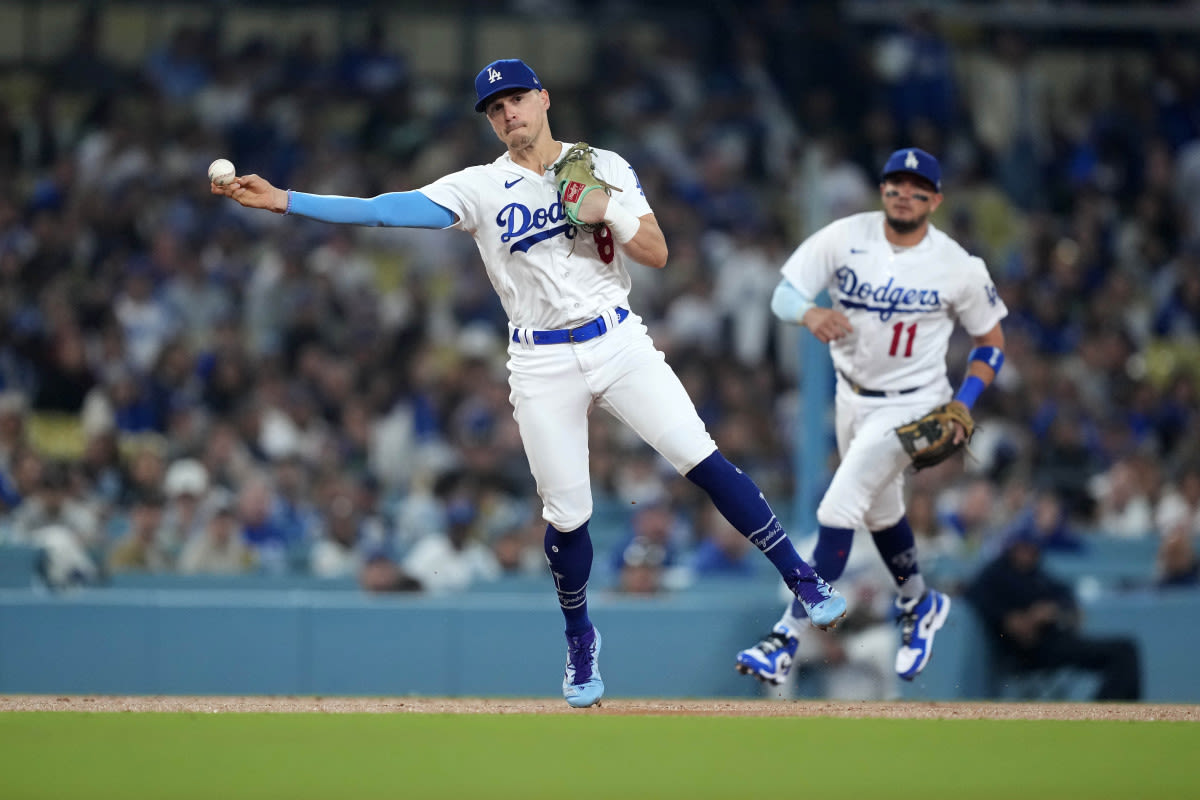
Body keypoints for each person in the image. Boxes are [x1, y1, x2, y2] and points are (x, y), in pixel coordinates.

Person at [211, 58, 846, 708]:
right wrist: (288, 200)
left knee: (700, 457)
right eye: (495, 108)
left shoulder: (601, 164)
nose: (508, 112)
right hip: (540, 360)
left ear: (543, 99)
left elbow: (656, 251)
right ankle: (579, 640)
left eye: (516, 99)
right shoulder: (480, 187)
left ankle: (803, 578)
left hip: (615, 337)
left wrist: (603, 210)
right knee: (568, 516)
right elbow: (385, 211)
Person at [736, 147, 1008, 686]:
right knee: (881, 513)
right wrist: (809, 311)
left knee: (839, 506)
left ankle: (785, 637)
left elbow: (991, 342)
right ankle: (918, 602)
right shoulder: (844, 237)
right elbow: (784, 296)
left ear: (935, 199)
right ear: (882, 189)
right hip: (852, 397)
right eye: (895, 184)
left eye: (917, 188)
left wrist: (966, 402)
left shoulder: (958, 265)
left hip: (917, 402)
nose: (904, 194)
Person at [965, 528, 1141, 701]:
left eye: (1033, 548)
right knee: (1123, 651)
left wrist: (1055, 612)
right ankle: (1101, 715)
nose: (1029, 553)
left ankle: (1119, 714)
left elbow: (1067, 599)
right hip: (1027, 651)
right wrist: (1012, 618)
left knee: (1126, 649)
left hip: (1056, 640)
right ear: (1013, 547)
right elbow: (973, 594)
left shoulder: (1037, 573)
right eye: (1024, 547)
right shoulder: (996, 573)